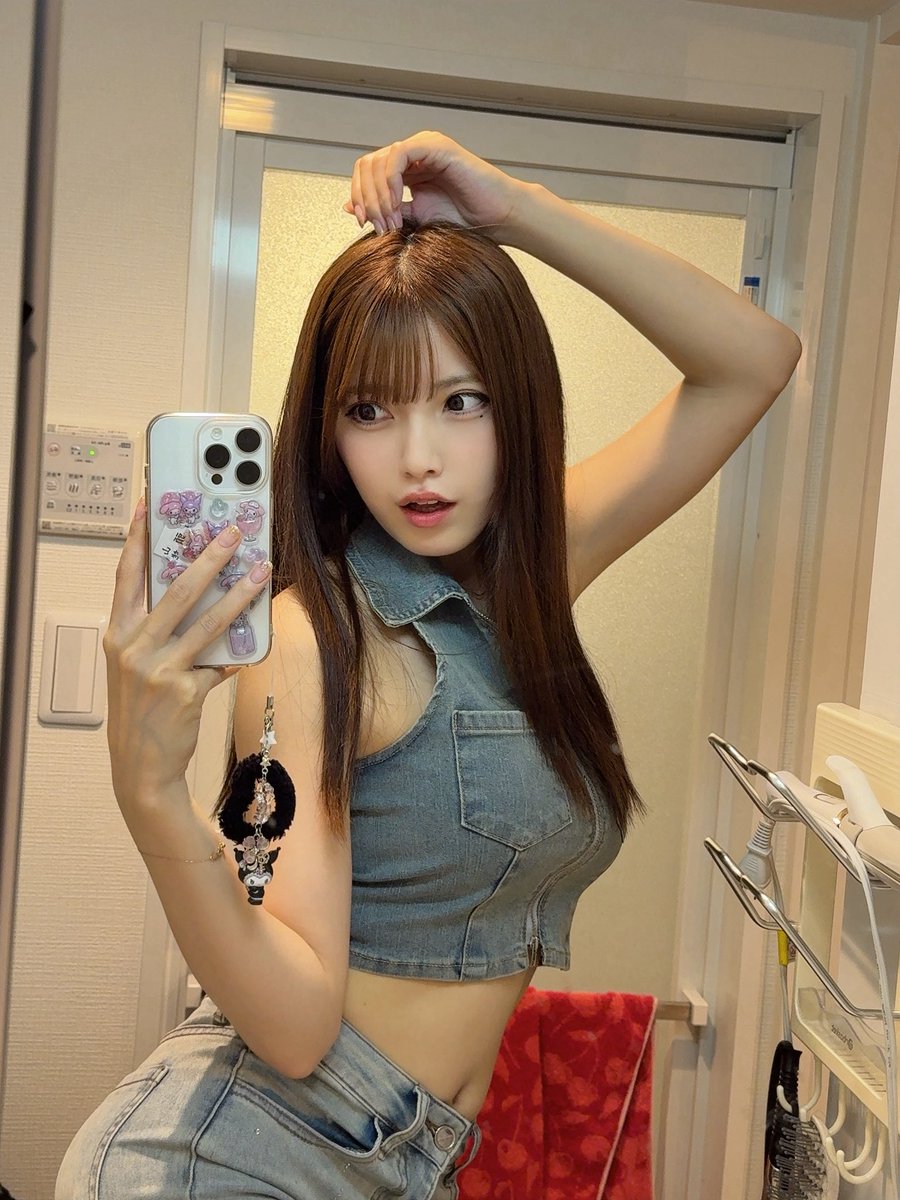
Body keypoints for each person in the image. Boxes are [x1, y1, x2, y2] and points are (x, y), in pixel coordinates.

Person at [55, 129, 801, 1199]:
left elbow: (753, 361)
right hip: (248, 1157)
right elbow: (295, 1028)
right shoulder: (311, 639)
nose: (418, 458)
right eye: (371, 410)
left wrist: (519, 211)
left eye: (462, 400)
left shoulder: (536, 568)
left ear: (517, 402)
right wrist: (149, 796)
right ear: (328, 428)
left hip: (410, 1160)